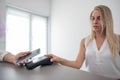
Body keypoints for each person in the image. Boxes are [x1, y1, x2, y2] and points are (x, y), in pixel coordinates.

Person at [46, 5, 120, 79]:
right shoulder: (85, 41)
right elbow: (77, 64)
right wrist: (59, 60)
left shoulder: (118, 40)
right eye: (93, 18)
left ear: (107, 20)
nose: (95, 22)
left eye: (99, 18)